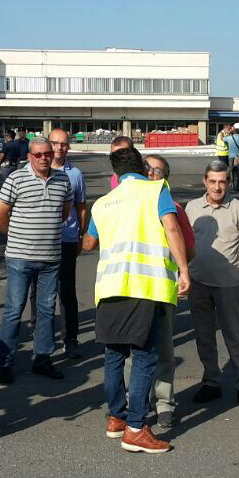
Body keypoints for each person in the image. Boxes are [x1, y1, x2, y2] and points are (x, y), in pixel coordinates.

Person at [82, 146, 190, 453]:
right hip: (146, 287)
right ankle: (136, 428)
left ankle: (116, 418)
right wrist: (184, 270)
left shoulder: (103, 203)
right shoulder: (157, 190)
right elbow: (171, 227)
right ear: (142, 167)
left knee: (114, 355)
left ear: (115, 172)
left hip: (111, 287)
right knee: (145, 356)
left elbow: (89, 243)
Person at [0, 137, 72, 382]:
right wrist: (15, 236)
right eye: (38, 154)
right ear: (29, 156)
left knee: (47, 310)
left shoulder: (63, 180)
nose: (44, 158)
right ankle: (4, 363)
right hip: (20, 257)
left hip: (50, 257)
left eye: (47, 153)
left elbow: (65, 211)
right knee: (14, 310)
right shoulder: (16, 179)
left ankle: (42, 358)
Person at [186, 160, 239, 408]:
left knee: (234, 335)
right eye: (213, 181)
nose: (218, 187)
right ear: (205, 182)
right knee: (204, 335)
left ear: (228, 183)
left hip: (228, 284)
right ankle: (211, 380)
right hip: (198, 282)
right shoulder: (192, 207)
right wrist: (182, 274)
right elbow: (183, 244)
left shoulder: (238, 208)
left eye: (222, 182)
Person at [138, 154, 196, 429]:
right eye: (146, 169)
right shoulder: (130, 205)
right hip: (133, 288)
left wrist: (181, 271)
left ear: (165, 177)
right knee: (132, 352)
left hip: (162, 288)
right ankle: (134, 401)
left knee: (163, 352)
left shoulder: (172, 207)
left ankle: (163, 404)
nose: (150, 174)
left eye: (157, 171)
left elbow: (188, 246)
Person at [48, 128, 87, 356]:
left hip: (67, 239)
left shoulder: (76, 174)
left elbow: (81, 206)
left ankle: (70, 338)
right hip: (42, 240)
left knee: (67, 292)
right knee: (41, 293)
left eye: (63, 144)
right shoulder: (34, 170)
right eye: (55, 143)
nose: (59, 148)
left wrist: (80, 234)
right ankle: (41, 335)